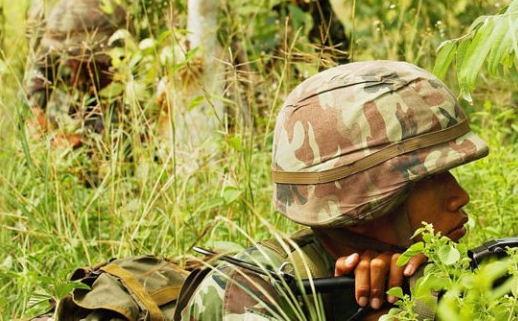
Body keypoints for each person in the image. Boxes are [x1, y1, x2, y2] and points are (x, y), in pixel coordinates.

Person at [180, 60, 490, 320]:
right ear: (364, 205)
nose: (460, 197)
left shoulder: (442, 274)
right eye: (432, 179)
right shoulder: (247, 293)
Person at [25, 0, 127, 153]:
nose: (68, 63)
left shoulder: (122, 81)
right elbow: (41, 71)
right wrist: (36, 112)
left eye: (77, 56)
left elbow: (120, 131)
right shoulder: (70, 67)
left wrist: (81, 141)